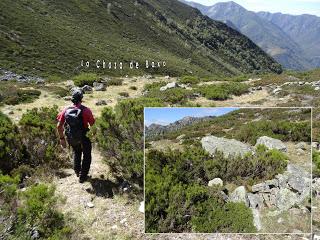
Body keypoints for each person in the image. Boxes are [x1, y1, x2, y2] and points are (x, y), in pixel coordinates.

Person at [57, 88, 95, 183]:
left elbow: (59, 126)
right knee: (87, 155)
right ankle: (82, 177)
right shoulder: (86, 110)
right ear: (81, 98)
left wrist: (62, 139)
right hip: (84, 136)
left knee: (76, 152)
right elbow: (93, 123)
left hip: (71, 137)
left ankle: (77, 171)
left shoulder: (65, 110)